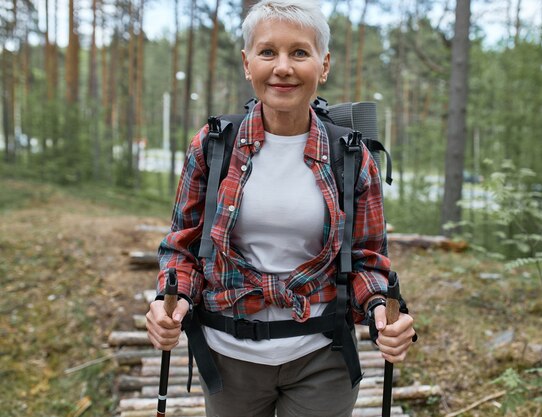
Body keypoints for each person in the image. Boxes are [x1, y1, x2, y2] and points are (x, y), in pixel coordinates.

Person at [146, 1, 416, 416]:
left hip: (322, 355)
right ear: (247, 63)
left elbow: (368, 260)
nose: (283, 67)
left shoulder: (351, 156)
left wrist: (382, 311)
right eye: (268, 52)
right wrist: (173, 298)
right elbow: (182, 247)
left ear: (323, 65)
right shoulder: (214, 145)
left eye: (300, 53)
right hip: (227, 356)